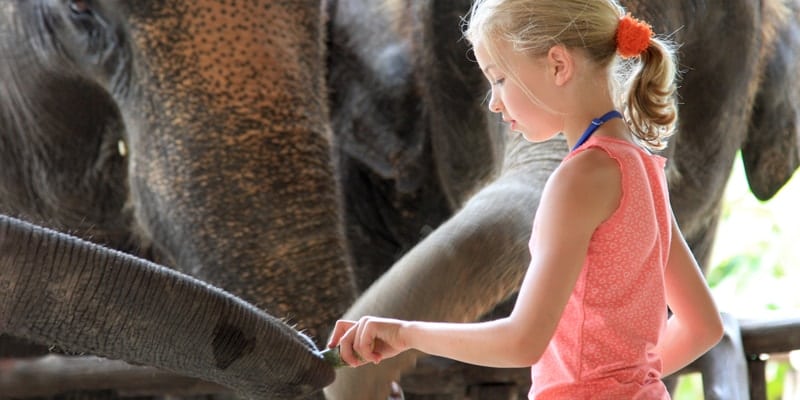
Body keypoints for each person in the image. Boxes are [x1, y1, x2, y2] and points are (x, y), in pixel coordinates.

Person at [327, 0, 724, 398]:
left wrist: (405, 333)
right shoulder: (642, 167)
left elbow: (523, 341)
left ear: (557, 64)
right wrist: (627, 383)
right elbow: (702, 325)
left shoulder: (578, 178)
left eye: (499, 78)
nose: (493, 101)